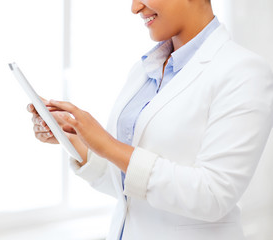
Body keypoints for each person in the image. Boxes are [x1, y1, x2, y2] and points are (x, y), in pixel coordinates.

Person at [27, 0, 273, 239]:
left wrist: (107, 144)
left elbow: (214, 196)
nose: (134, 8)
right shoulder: (146, 69)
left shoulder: (244, 72)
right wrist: (74, 138)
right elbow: (130, 187)